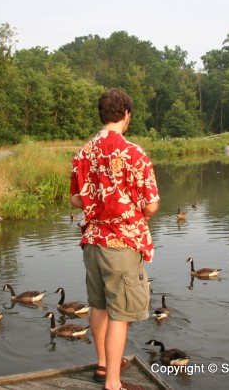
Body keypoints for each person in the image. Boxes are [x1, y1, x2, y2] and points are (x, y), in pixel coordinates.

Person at [70, 88, 160, 390]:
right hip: (122, 245)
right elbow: (151, 205)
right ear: (126, 114)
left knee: (98, 306)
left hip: (92, 242)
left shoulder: (83, 152)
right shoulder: (134, 153)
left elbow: (75, 199)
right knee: (120, 314)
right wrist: (128, 213)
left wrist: (99, 204)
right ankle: (113, 384)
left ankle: (103, 364)